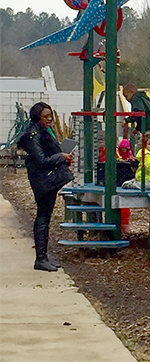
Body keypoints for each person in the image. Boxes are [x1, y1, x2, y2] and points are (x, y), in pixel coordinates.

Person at [17, 102, 74, 272]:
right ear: (38, 117)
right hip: (42, 180)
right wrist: (61, 156)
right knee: (42, 217)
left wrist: (61, 154)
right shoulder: (33, 134)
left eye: (51, 116)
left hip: (47, 179)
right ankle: (40, 259)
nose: (50, 119)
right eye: (46, 116)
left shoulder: (43, 130)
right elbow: (41, 160)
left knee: (45, 216)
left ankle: (43, 257)